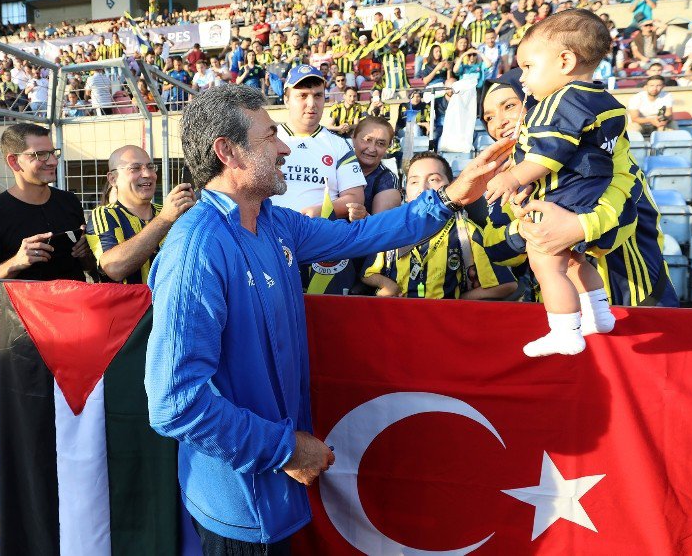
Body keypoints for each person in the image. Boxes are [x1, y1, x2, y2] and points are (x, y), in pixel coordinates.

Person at [144, 85, 511, 555]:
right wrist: (286, 449)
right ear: (227, 152)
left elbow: (363, 234)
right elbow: (175, 403)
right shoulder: (197, 249)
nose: (284, 148)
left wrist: (449, 199)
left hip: (274, 493)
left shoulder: (274, 221)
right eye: (270, 136)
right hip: (240, 504)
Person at [484, 10, 624, 357]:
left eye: (528, 67)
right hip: (590, 194)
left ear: (565, 60)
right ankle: (599, 314)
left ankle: (565, 331)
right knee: (576, 261)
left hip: (566, 197)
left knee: (545, 260)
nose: (525, 78)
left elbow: (550, 152)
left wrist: (513, 176)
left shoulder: (558, 102)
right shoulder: (604, 98)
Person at [479, 71, 678, 309]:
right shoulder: (510, 176)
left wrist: (574, 227)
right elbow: (494, 247)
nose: (498, 122)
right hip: (561, 318)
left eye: (509, 106)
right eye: (488, 118)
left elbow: (617, 228)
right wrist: (526, 229)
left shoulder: (606, 154)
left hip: (635, 304)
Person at [363, 152, 517, 299]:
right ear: (405, 191)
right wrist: (387, 284)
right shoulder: (390, 229)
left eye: (433, 180)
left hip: (444, 321)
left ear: (452, 187)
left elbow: (506, 285)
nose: (423, 189)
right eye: (414, 181)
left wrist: (459, 300)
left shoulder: (467, 233)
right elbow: (368, 273)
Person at [0, 124, 96, 280]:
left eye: (53, 153)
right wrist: (14, 264)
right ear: (14, 161)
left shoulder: (69, 201)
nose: (53, 161)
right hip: (25, 304)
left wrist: (87, 253)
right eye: (40, 154)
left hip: (75, 301)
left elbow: (87, 266)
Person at [86, 145, 195, 283]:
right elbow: (114, 268)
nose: (147, 174)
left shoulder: (169, 211)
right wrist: (164, 219)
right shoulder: (104, 215)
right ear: (113, 179)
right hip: (130, 304)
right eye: (135, 168)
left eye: (150, 167)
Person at [270, 65, 366, 218]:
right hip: (270, 231)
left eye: (318, 96)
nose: (311, 103)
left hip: (319, 232)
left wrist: (322, 211)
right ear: (286, 100)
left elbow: (355, 197)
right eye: (303, 95)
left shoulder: (339, 144)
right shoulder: (267, 139)